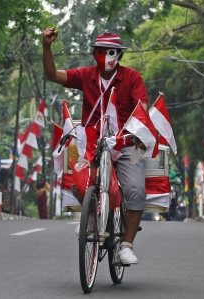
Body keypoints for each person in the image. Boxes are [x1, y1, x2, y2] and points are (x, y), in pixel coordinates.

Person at [43, 28, 148, 264]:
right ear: (94, 54)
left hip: (125, 143)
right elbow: (52, 74)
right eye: (101, 52)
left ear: (119, 55)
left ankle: (126, 246)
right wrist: (46, 46)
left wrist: (133, 135)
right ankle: (90, 217)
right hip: (92, 143)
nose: (106, 57)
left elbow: (140, 110)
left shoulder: (132, 78)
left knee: (135, 189)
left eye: (111, 52)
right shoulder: (85, 76)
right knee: (81, 183)